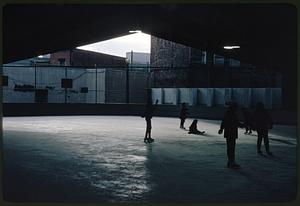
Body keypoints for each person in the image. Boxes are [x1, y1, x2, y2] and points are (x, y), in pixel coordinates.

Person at [218, 102, 244, 169]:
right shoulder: (232, 114)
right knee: (231, 148)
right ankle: (231, 162)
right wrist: (242, 125)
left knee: (230, 148)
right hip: (232, 132)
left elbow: (224, 121)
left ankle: (230, 162)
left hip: (228, 132)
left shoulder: (228, 113)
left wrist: (221, 129)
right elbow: (235, 122)